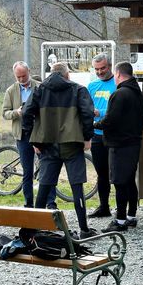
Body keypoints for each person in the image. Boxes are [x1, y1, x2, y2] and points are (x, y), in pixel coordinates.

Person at [22, 61, 96, 236]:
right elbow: (87, 114)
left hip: (47, 145)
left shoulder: (39, 90)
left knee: (45, 186)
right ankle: (84, 229)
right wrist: (87, 137)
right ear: (67, 74)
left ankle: (35, 228)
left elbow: (26, 114)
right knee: (77, 186)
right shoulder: (78, 89)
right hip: (72, 144)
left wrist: (34, 141)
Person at [94, 62, 143, 232]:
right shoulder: (140, 95)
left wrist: (95, 124)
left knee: (119, 182)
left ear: (117, 74)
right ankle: (131, 216)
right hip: (134, 142)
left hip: (119, 144)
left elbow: (111, 120)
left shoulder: (119, 94)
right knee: (130, 180)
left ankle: (121, 220)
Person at [1, 61, 55, 208]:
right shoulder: (11, 91)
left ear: (29, 72)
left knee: (47, 168)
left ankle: (50, 203)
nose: (21, 79)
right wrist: (17, 113)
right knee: (27, 172)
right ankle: (29, 204)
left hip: (40, 134)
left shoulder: (40, 86)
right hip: (22, 136)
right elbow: (5, 113)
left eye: (24, 76)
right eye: (18, 77)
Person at [87, 53, 117, 218]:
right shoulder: (92, 86)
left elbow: (120, 109)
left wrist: (101, 112)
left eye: (103, 68)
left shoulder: (117, 84)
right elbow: (86, 107)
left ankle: (121, 208)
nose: (100, 72)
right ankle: (103, 206)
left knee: (117, 174)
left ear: (110, 66)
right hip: (97, 135)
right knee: (101, 173)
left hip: (114, 135)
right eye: (97, 69)